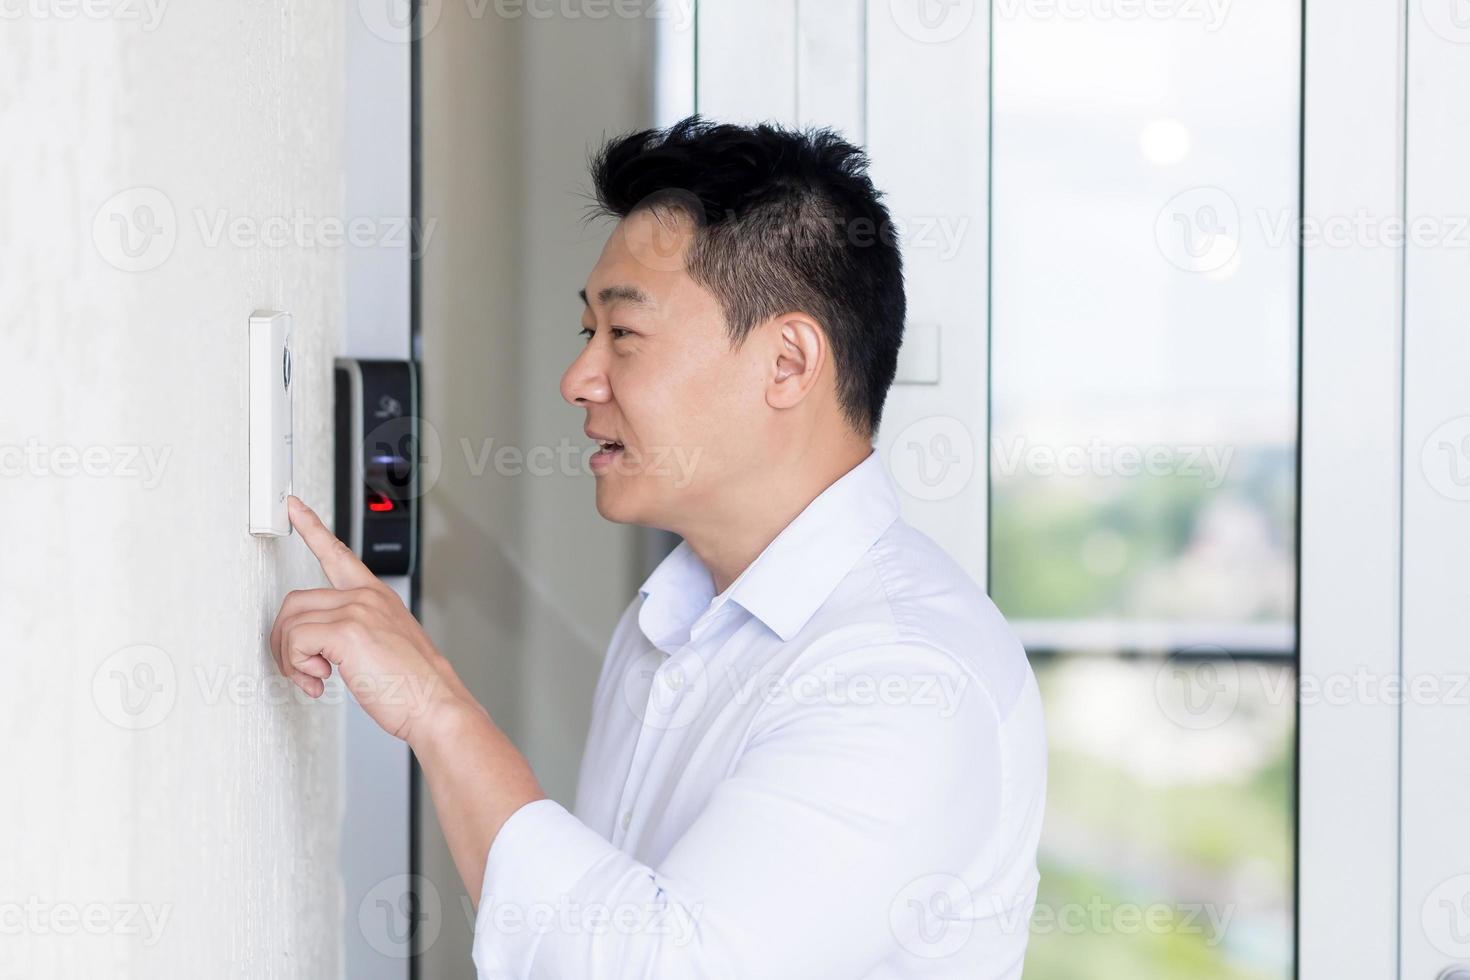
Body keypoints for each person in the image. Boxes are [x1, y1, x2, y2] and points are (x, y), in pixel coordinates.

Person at [270, 116, 1046, 978]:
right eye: (585, 334)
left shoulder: (906, 677)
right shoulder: (669, 620)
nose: (579, 379)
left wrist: (434, 707)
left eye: (624, 335)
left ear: (788, 363)